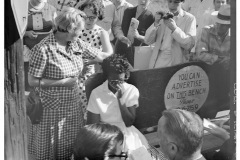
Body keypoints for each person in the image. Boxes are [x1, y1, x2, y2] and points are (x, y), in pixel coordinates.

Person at [27, 7, 109, 159]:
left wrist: (113, 50)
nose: (82, 33)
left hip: (72, 108)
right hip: (50, 111)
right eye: (80, 29)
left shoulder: (76, 43)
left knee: (71, 149)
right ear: (70, 28)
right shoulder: (43, 49)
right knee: (50, 152)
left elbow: (102, 56)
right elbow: (32, 81)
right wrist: (62, 82)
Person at [87, 54, 149, 153]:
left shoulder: (131, 90)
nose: (117, 85)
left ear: (125, 75)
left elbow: (129, 122)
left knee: (131, 153)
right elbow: (93, 125)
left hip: (126, 133)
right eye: (113, 81)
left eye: (120, 81)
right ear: (106, 76)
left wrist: (120, 99)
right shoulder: (96, 93)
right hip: (105, 134)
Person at [78, 0, 113, 120]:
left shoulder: (101, 32)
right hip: (72, 70)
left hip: (89, 72)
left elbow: (109, 53)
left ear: (98, 17)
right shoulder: (76, 29)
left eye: (92, 18)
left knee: (86, 101)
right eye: (85, 17)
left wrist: (93, 60)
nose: (88, 21)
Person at [144, 0, 196, 69]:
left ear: (182, 2)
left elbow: (189, 44)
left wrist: (175, 29)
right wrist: (155, 24)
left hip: (177, 62)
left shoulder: (189, 18)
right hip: (159, 60)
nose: (172, 5)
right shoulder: (163, 17)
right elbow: (147, 41)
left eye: (176, 2)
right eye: (170, 1)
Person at [23, 0, 57, 91]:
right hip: (27, 51)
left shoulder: (51, 9)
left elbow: (56, 29)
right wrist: (26, 33)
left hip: (46, 52)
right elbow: (12, 29)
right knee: (28, 82)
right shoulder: (22, 8)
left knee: (45, 79)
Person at [114, 0, 155, 66]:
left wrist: (138, 36)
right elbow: (122, 29)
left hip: (136, 53)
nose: (143, 1)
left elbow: (149, 40)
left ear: (150, 1)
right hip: (121, 47)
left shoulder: (150, 17)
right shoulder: (128, 11)